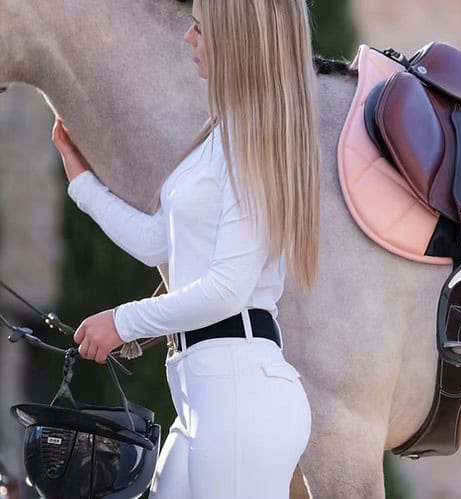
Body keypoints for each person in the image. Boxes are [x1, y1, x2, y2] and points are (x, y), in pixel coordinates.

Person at [50, 0, 319, 497]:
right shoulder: (221, 138)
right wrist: (82, 182)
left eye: (199, 28)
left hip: (239, 398)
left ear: (235, 42)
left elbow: (226, 290)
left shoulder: (251, 141)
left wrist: (122, 322)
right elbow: (160, 240)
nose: (188, 38)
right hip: (207, 400)